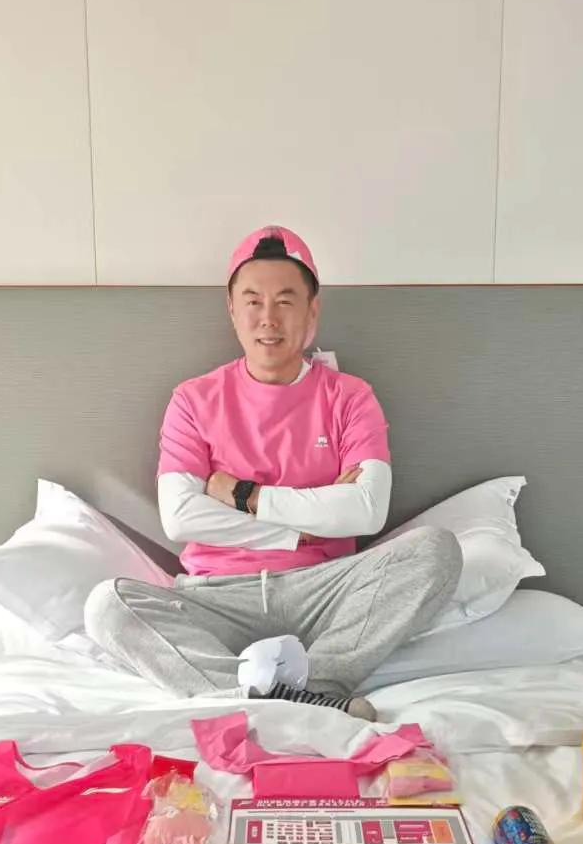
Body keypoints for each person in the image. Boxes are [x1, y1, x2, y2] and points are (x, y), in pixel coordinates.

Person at [86, 225, 461, 720]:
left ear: (312, 312)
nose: (268, 318)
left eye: (285, 301)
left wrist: (243, 494)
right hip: (217, 598)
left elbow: (367, 511)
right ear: (232, 310)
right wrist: (303, 526)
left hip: (323, 590)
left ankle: (318, 684)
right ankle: (277, 701)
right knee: (107, 605)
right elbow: (180, 518)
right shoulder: (193, 400)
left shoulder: (350, 397)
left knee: (436, 549)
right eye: (253, 301)